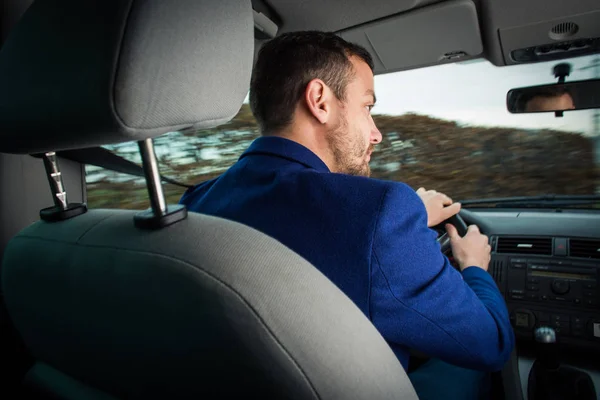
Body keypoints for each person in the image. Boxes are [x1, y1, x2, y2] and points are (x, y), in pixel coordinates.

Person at [180, 31, 514, 399]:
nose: (377, 134)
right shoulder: (383, 213)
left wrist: (413, 214)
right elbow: (492, 343)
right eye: (367, 107)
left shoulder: (195, 204)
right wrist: (474, 268)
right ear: (320, 101)